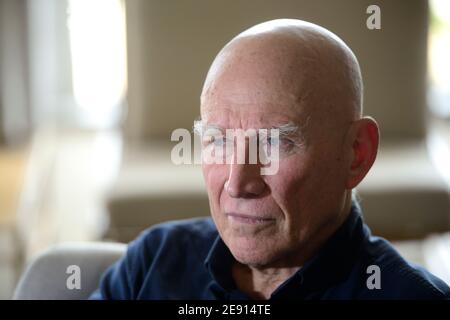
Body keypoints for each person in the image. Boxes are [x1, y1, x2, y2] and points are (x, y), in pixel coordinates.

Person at [90, 19, 450, 299]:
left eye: (274, 143)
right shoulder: (152, 264)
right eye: (218, 139)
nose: (237, 183)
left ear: (356, 153)